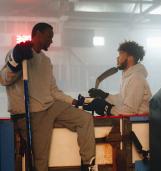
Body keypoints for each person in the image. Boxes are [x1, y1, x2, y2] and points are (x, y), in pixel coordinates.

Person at [0, 22, 96, 171]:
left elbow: (54, 91)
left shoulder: (46, 60)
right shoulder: (19, 53)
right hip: (31, 114)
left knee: (85, 119)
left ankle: (88, 164)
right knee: (40, 161)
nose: (51, 40)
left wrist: (76, 102)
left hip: (51, 106)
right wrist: (15, 62)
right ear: (38, 33)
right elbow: (4, 79)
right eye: (49, 36)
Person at [84, 40, 152, 116]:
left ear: (130, 58)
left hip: (138, 124)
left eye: (120, 54)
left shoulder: (136, 78)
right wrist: (105, 95)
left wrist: (108, 109)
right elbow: (122, 101)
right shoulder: (129, 77)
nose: (117, 58)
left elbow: (130, 111)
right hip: (131, 123)